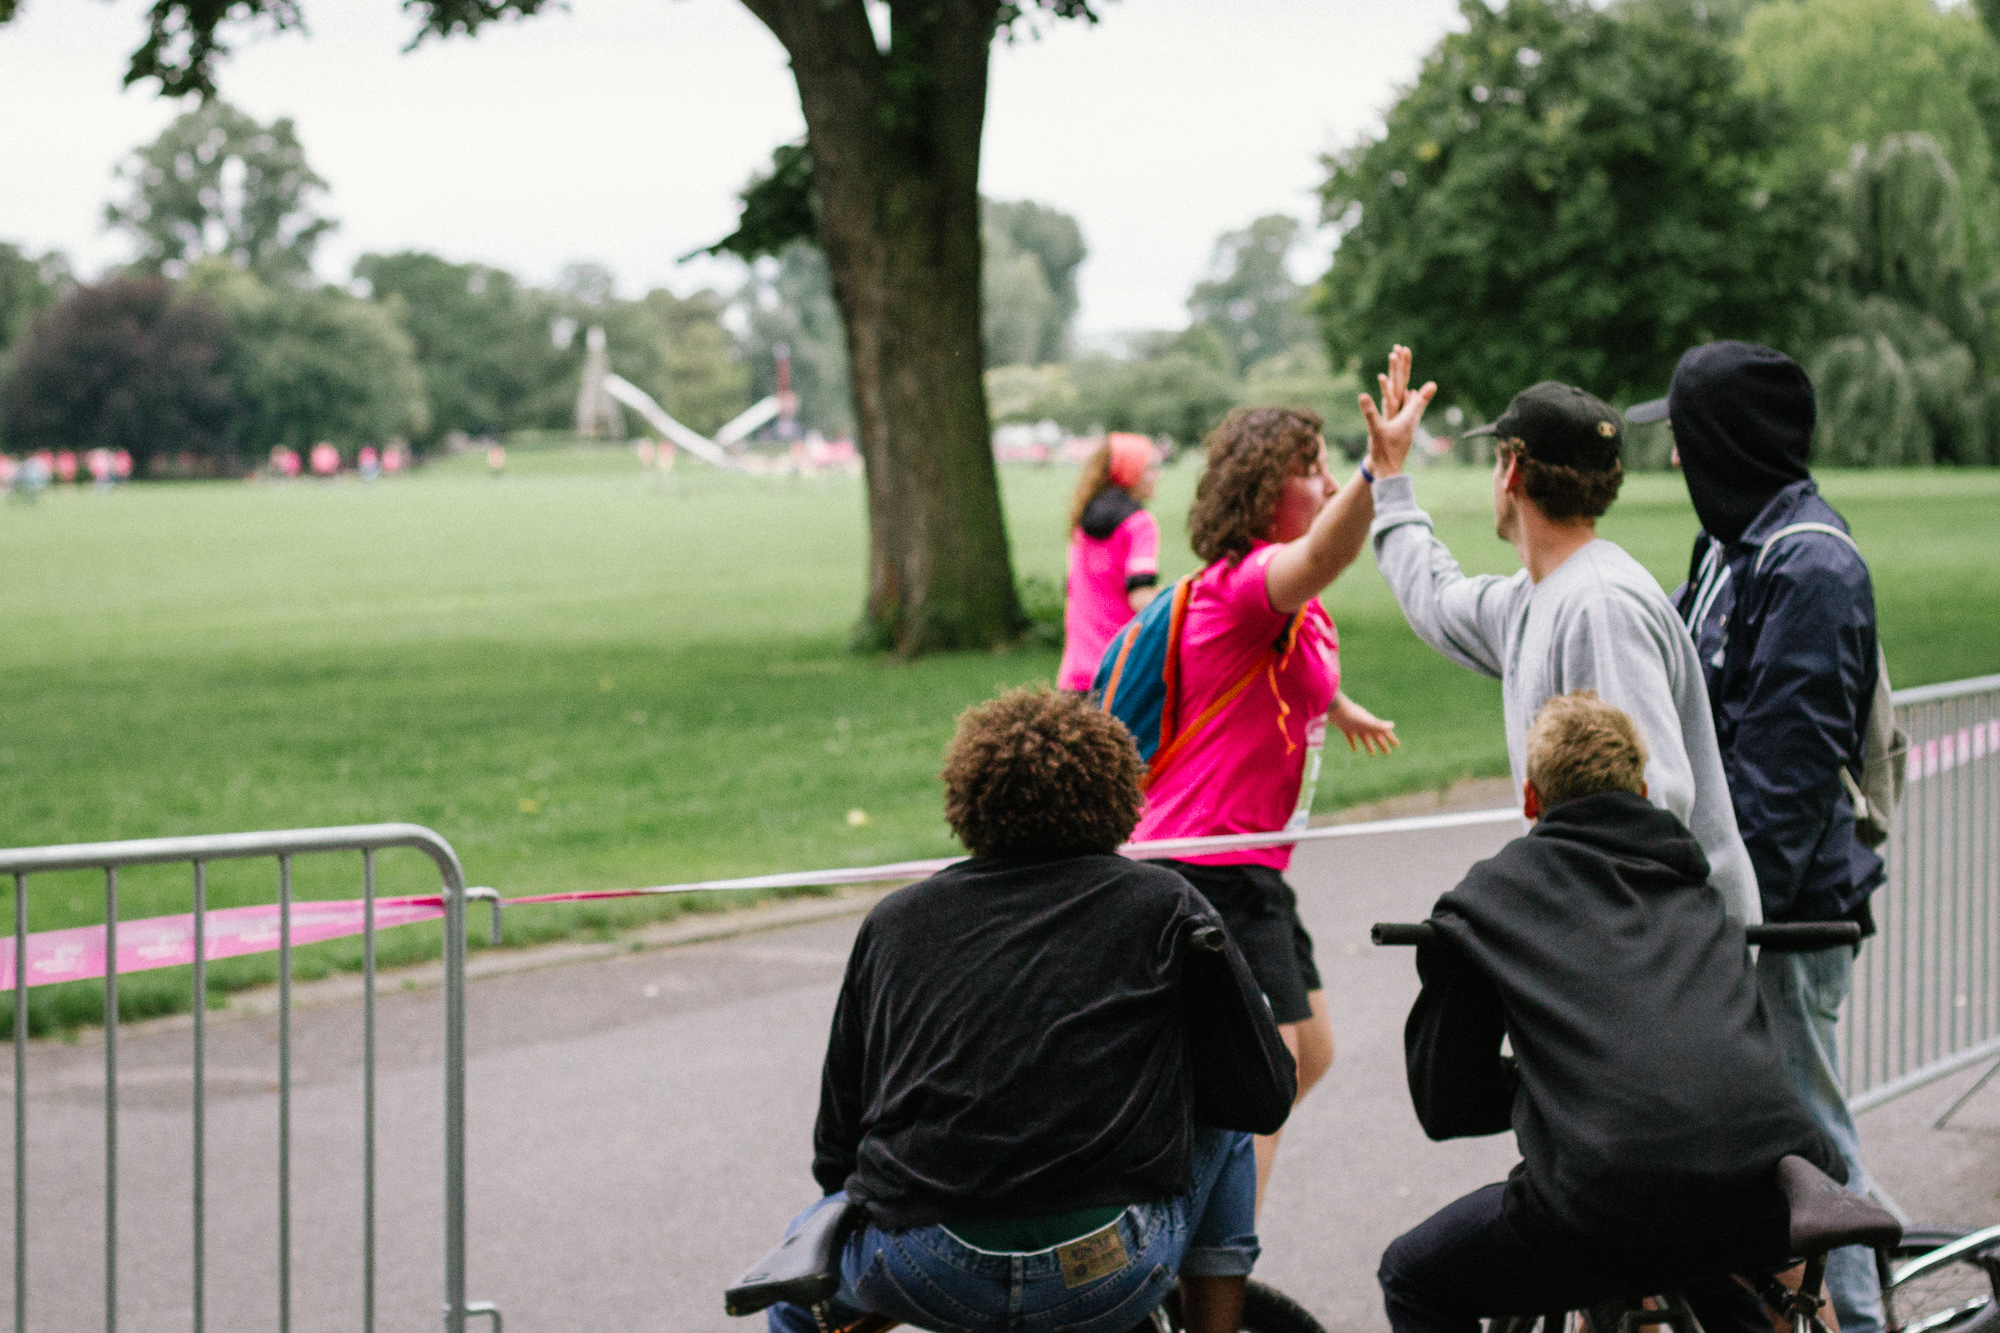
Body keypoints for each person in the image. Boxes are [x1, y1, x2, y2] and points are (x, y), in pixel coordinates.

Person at [767, 687, 1296, 1333]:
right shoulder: (1163, 902)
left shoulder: (895, 922)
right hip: (1104, 1266)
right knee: (1230, 1102)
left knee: (798, 1298)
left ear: (967, 800)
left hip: (924, 1263)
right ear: (1120, 797)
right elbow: (1263, 1095)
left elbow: (837, 1142)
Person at [1379, 691, 1846, 1333]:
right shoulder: (1697, 893)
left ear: (1530, 800)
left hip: (1610, 1197)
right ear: (1645, 789)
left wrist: (1551, 1086)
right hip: (1760, 1185)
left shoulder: (1492, 901)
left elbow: (1446, 1098)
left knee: (1412, 1274)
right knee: (1707, 1255)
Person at [1631, 340, 1888, 1333]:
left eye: (1683, 441)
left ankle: (1859, 1323)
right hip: (1741, 902)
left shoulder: (1809, 564)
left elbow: (1778, 780)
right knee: (1775, 1140)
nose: (1672, 463)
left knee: (1810, 1142)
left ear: (1721, 444)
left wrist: (1727, 926)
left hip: (1785, 915)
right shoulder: (1729, 548)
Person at [1362, 346, 1760, 923]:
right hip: (1619, 950)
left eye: (1496, 462)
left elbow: (1647, 808)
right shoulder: (1537, 596)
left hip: (1656, 961)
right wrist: (1391, 478)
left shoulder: (1601, 607)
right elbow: (1436, 600)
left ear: (1513, 472)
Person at [1133, 404, 1402, 1204]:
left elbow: (1273, 664)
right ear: (1260, 490)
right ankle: (1211, 1256)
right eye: (1310, 468)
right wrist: (1375, 474)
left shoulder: (1281, 601)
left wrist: (1337, 705)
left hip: (1253, 866)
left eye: (1329, 466)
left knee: (1309, 1052)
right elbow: (1323, 555)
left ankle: (1187, 1203)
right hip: (1209, 863)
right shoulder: (1250, 581)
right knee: (1270, 1074)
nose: (1322, 483)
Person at [1057, 432, 1162, 692]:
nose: (1157, 475)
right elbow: (1140, 598)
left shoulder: (1082, 522)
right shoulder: (1139, 524)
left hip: (1075, 675)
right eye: (1149, 468)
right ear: (1129, 472)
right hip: (1121, 672)